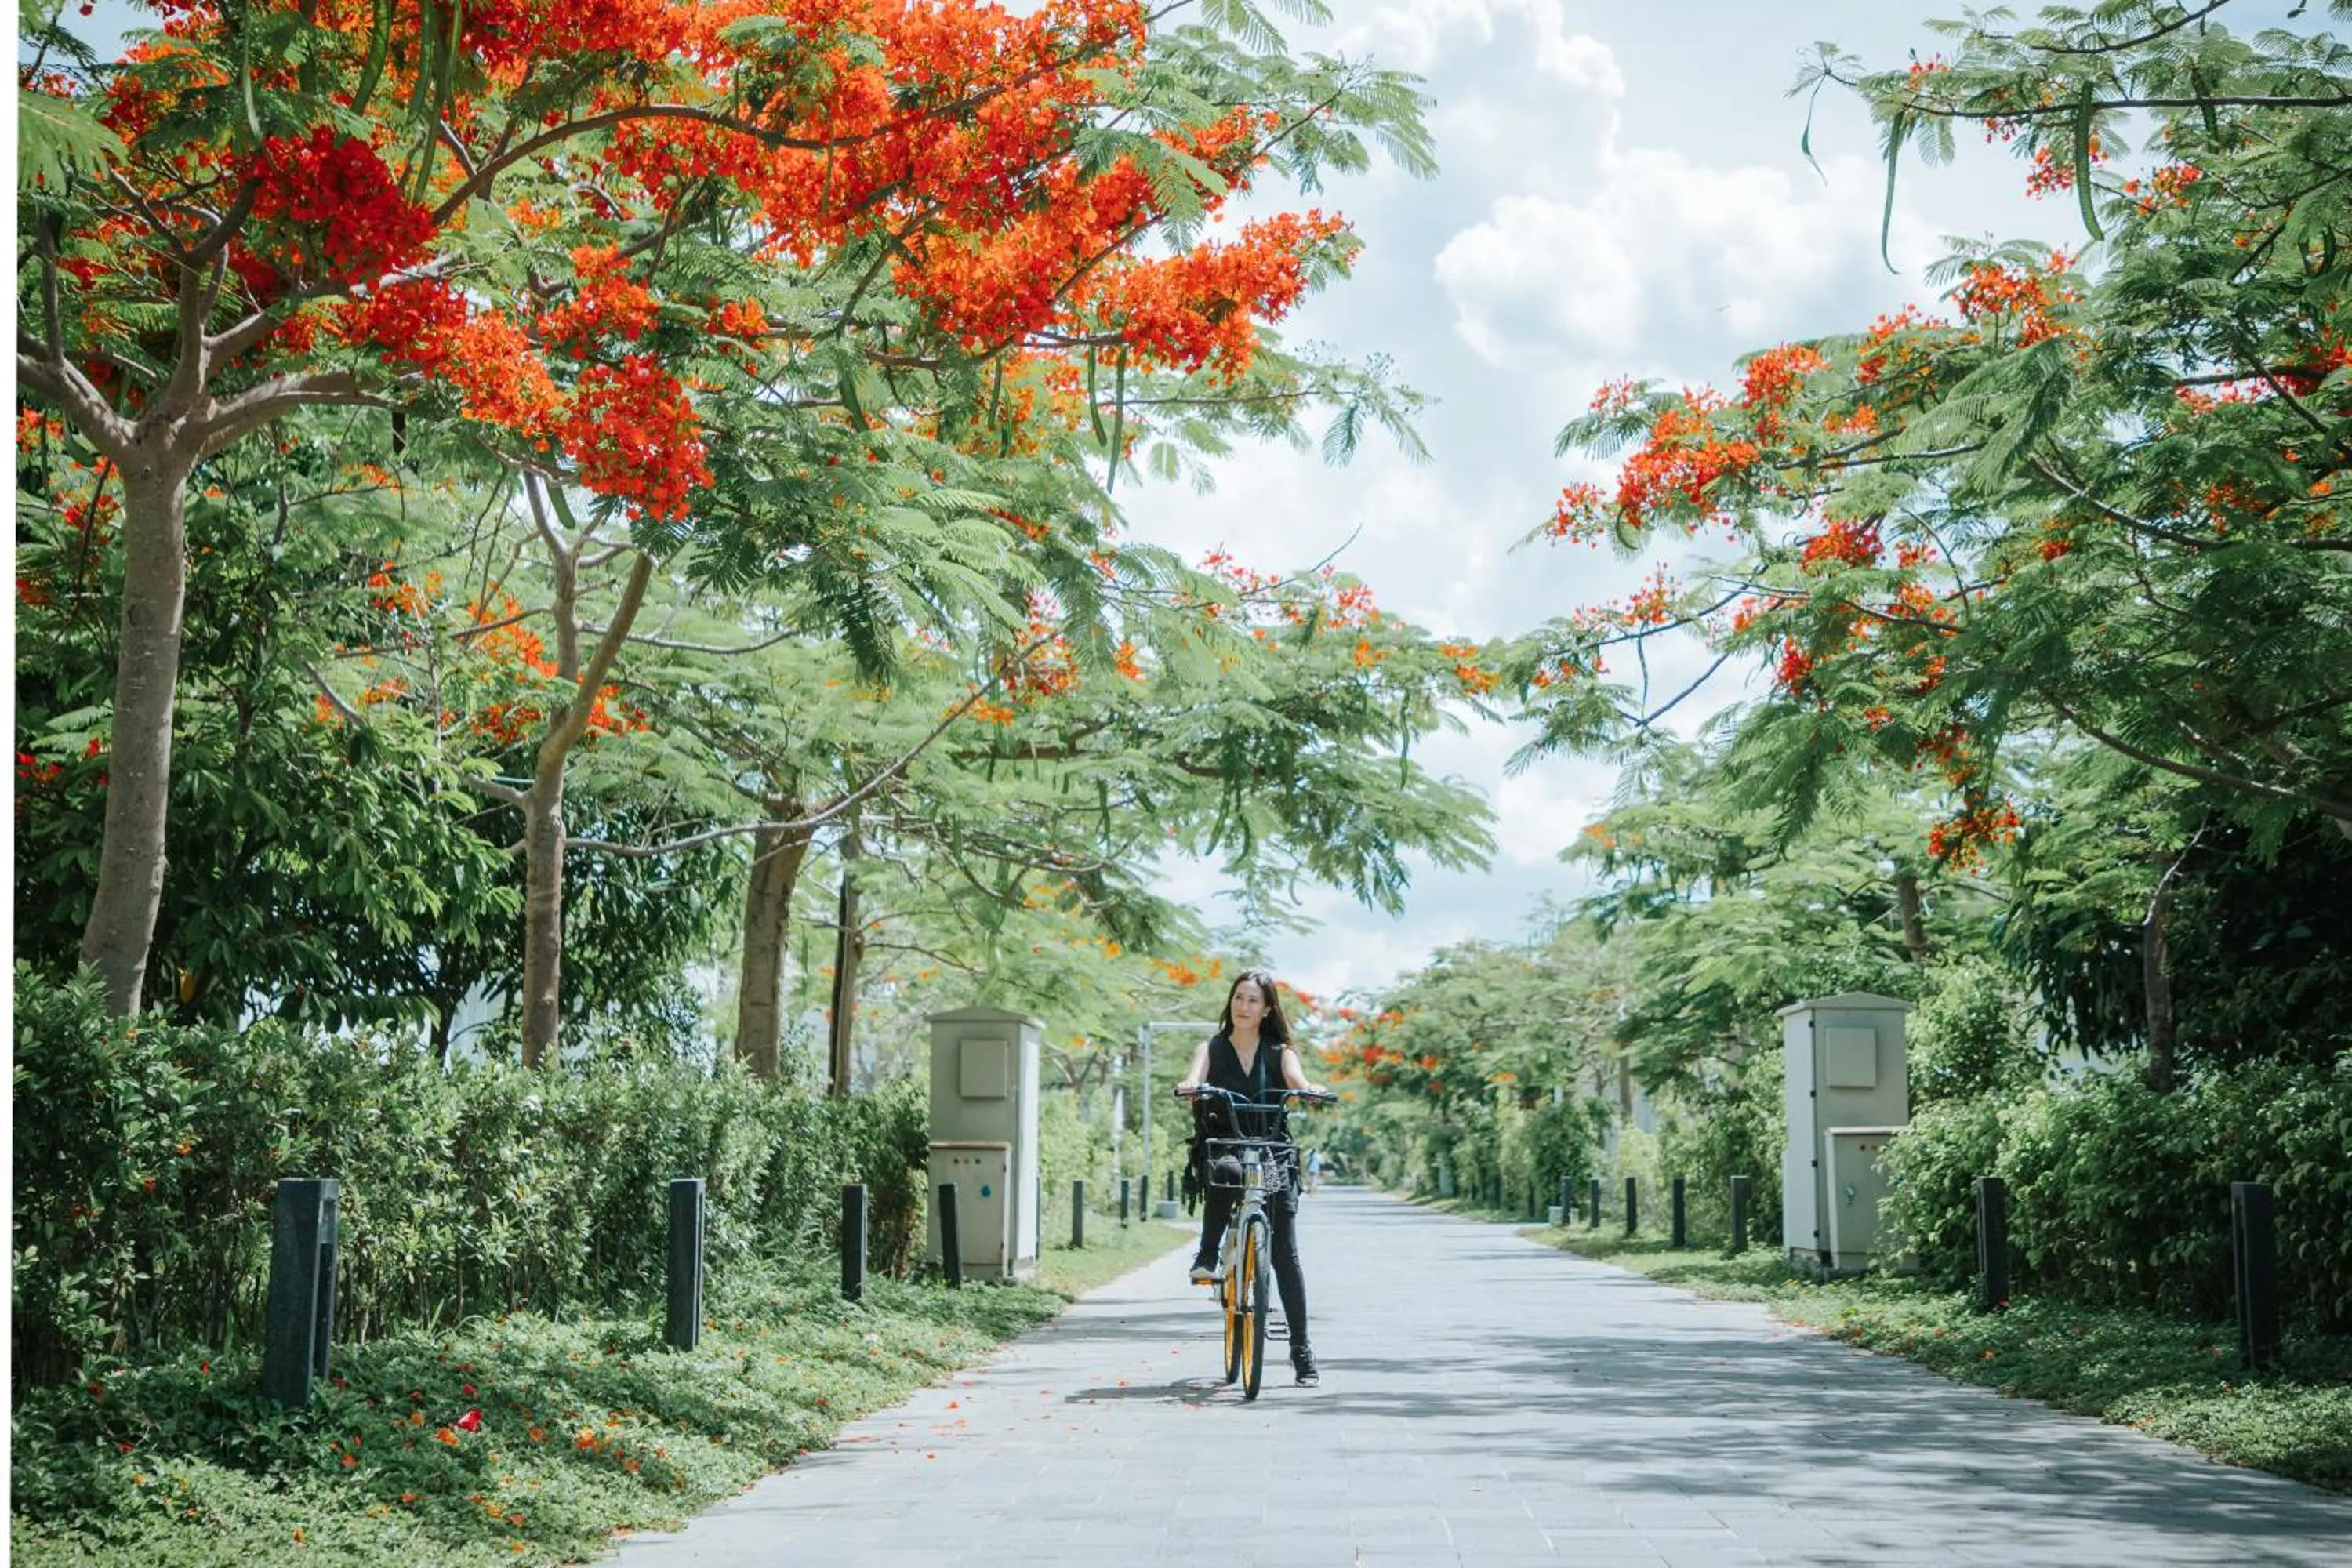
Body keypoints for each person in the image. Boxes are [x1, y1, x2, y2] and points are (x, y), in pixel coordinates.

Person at [1175, 968, 1329, 1387]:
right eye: (1238, 998)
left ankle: (1302, 1351)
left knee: (1285, 1255)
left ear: (1266, 1009)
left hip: (1271, 1147)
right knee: (1224, 1173)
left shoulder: (1281, 1052)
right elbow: (1195, 1075)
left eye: (1252, 1001)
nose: (1243, 1006)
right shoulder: (1211, 1047)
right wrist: (1191, 1085)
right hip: (1225, 1142)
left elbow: (1297, 1080)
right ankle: (1207, 1255)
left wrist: (1307, 1089)